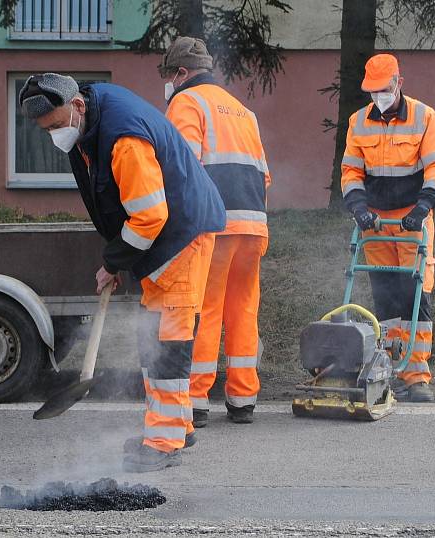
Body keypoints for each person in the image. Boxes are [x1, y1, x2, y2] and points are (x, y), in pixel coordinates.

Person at [19, 73, 225, 472]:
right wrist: (118, 259)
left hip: (179, 236)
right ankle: (178, 426)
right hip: (167, 236)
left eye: (57, 125)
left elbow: (149, 215)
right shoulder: (93, 117)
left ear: (77, 105)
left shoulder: (123, 138)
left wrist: (115, 261)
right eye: (46, 130)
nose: (55, 135)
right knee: (157, 333)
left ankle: (164, 441)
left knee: (167, 342)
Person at [160, 37, 271, 427]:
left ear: (182, 73)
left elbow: (182, 166)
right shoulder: (243, 111)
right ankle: (243, 398)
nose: (168, 84)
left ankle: (195, 397)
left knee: (205, 309)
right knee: (243, 309)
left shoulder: (186, 103)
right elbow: (264, 175)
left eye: (169, 75)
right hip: (254, 226)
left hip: (215, 225)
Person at [341, 53, 435, 402]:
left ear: (398, 83)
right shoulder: (358, 122)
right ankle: (388, 369)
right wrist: (358, 208)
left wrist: (423, 207)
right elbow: (351, 172)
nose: (379, 97)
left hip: (411, 219)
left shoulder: (424, 116)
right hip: (375, 219)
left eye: (384, 90)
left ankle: (417, 375)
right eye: (372, 91)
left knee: (415, 293)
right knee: (385, 293)